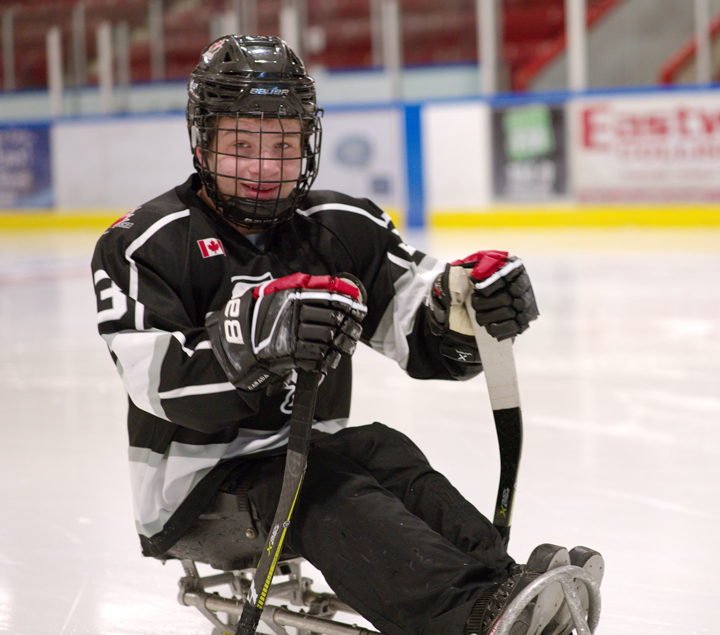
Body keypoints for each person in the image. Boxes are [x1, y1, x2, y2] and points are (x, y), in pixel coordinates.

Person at [91, 35, 602, 635]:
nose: (263, 167)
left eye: (283, 144)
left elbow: (423, 330)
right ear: (203, 141)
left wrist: (468, 308)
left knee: (385, 448)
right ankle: (467, 621)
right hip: (197, 488)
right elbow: (160, 386)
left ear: (308, 142)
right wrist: (257, 340)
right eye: (241, 144)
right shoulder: (145, 245)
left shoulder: (341, 227)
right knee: (320, 480)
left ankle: (506, 593)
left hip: (314, 451)